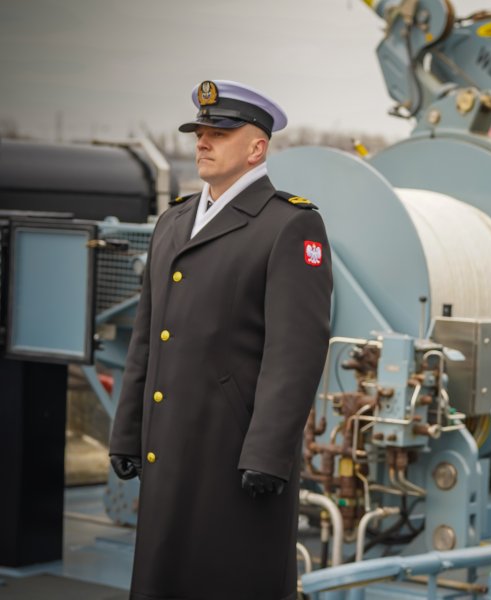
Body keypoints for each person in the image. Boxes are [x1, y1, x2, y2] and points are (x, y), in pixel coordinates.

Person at [109, 79, 332, 600]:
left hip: (232, 459)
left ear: (257, 147)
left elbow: (294, 353)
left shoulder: (289, 225)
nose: (202, 142)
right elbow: (148, 337)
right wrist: (127, 432)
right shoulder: (173, 222)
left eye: (219, 132)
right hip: (169, 451)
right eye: (199, 131)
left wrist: (268, 455)